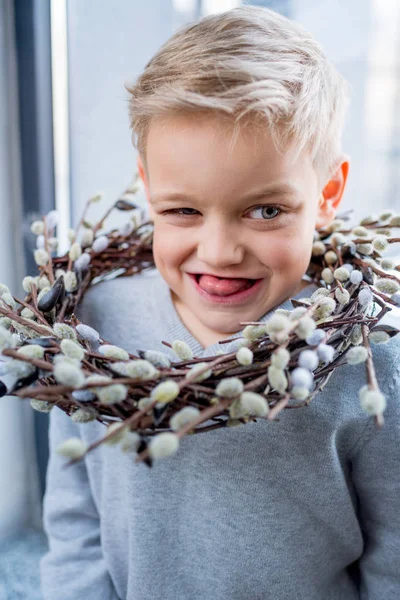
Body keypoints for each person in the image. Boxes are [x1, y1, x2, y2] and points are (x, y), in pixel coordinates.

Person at [40, 6, 400, 599]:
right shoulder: (94, 328)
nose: (221, 250)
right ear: (148, 188)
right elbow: (76, 518)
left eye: (266, 210)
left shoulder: (367, 357)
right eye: (183, 210)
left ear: (327, 192)